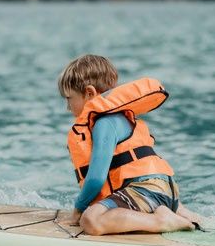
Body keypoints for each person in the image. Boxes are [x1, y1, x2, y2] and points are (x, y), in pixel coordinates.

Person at [57, 54, 201, 235]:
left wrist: (78, 210)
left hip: (146, 189)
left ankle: (161, 220)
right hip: (165, 190)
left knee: (91, 219)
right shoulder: (119, 119)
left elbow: (95, 178)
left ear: (90, 93)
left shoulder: (104, 123)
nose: (67, 107)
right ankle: (181, 213)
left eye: (69, 98)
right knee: (101, 210)